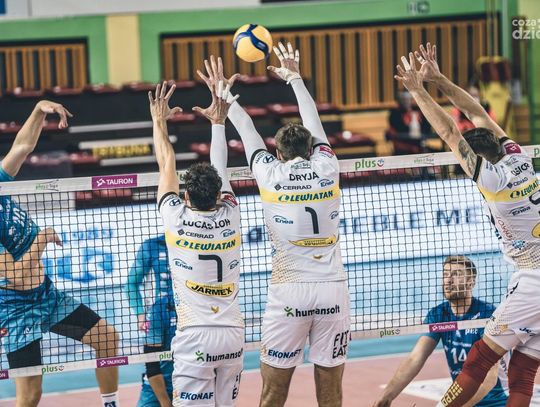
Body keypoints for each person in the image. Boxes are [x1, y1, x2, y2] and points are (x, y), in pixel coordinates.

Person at [198, 45, 350, 406]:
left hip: (289, 293)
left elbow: (247, 129)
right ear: (312, 149)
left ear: (277, 153)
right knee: (331, 388)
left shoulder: (269, 173)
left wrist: (223, 92)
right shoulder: (328, 166)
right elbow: (314, 122)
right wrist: (295, 77)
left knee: (273, 391)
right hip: (333, 290)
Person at [394, 42, 540, 406]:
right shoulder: (518, 158)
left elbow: (450, 133)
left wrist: (417, 89)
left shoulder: (493, 180)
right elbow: (476, 112)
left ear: (478, 161)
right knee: (523, 371)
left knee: (480, 357)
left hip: (534, 277)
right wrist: (439, 78)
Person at [0, 101, 120, 407]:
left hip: (47, 295)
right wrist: (41, 239)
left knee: (107, 338)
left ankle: (110, 403)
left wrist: (39, 110)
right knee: (30, 395)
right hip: (16, 310)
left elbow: (22, 146)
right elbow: (14, 276)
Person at [150, 80, 244, 406]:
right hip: (232, 334)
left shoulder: (175, 216)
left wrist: (159, 121)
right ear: (219, 195)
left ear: (185, 195)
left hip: (195, 337)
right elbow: (221, 167)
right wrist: (218, 123)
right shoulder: (231, 213)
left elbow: (167, 163)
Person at [373, 256, 508, 407]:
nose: (448, 280)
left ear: (471, 282)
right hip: (462, 399)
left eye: (456, 274)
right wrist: (386, 396)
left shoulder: (487, 315)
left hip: (497, 402)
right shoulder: (438, 315)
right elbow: (415, 358)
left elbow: (489, 378)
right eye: (445, 274)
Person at [124, 235, 172, 333]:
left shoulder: (197, 244)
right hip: (156, 320)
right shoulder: (151, 246)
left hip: (188, 319)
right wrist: (140, 314)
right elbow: (131, 284)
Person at [137, 294, 176, 407]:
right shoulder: (159, 309)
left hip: (190, 384)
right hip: (156, 389)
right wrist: (166, 404)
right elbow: (152, 366)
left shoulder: (197, 308)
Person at [386, 90, 432, 154]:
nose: (406, 101)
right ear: (398, 101)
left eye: (408, 99)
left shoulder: (418, 111)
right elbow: (396, 131)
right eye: (403, 99)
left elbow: (427, 128)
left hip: (420, 143)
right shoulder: (395, 113)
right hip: (403, 145)